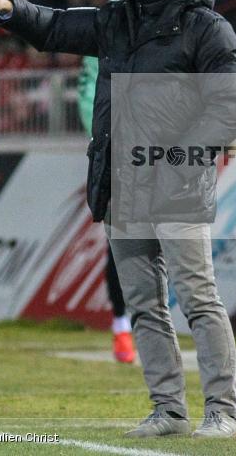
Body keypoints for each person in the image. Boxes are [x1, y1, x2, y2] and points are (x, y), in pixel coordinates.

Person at [0, 0, 236, 440]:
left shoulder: (208, 28)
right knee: (143, 304)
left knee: (198, 298)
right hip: (125, 184)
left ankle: (222, 412)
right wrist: (11, 8)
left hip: (180, 185)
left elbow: (229, 106)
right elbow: (54, 26)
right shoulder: (114, 20)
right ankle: (168, 409)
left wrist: (179, 156)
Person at [77, 55, 136, 364]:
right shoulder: (105, 33)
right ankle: (122, 325)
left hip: (165, 155)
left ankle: (149, 322)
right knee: (121, 244)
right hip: (121, 156)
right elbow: (89, 97)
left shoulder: (168, 31)